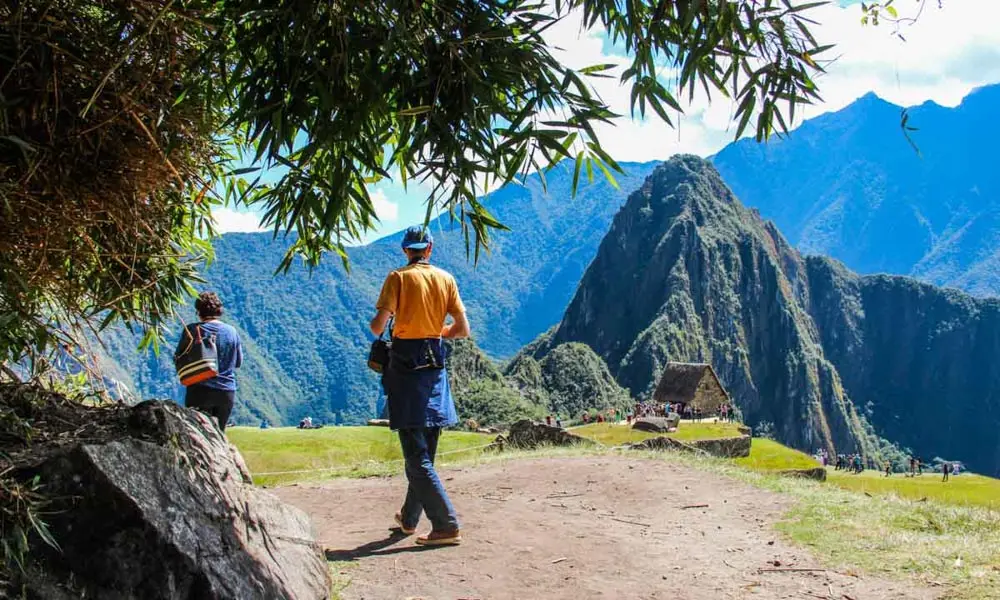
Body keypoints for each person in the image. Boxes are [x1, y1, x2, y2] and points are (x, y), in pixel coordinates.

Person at [370, 226, 468, 547]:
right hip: (435, 371)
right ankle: (410, 520)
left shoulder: (398, 278)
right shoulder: (447, 279)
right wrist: (438, 331)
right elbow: (462, 329)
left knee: (416, 456)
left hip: (406, 369)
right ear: (430, 248)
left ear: (404, 250)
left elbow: (377, 327)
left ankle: (446, 524)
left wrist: (396, 319)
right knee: (424, 453)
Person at [176, 291, 243, 431]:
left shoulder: (192, 330)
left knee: (197, 436)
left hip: (199, 390)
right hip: (226, 391)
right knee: (218, 437)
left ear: (198, 311)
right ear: (219, 310)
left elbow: (179, 357)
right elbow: (238, 362)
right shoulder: (232, 331)